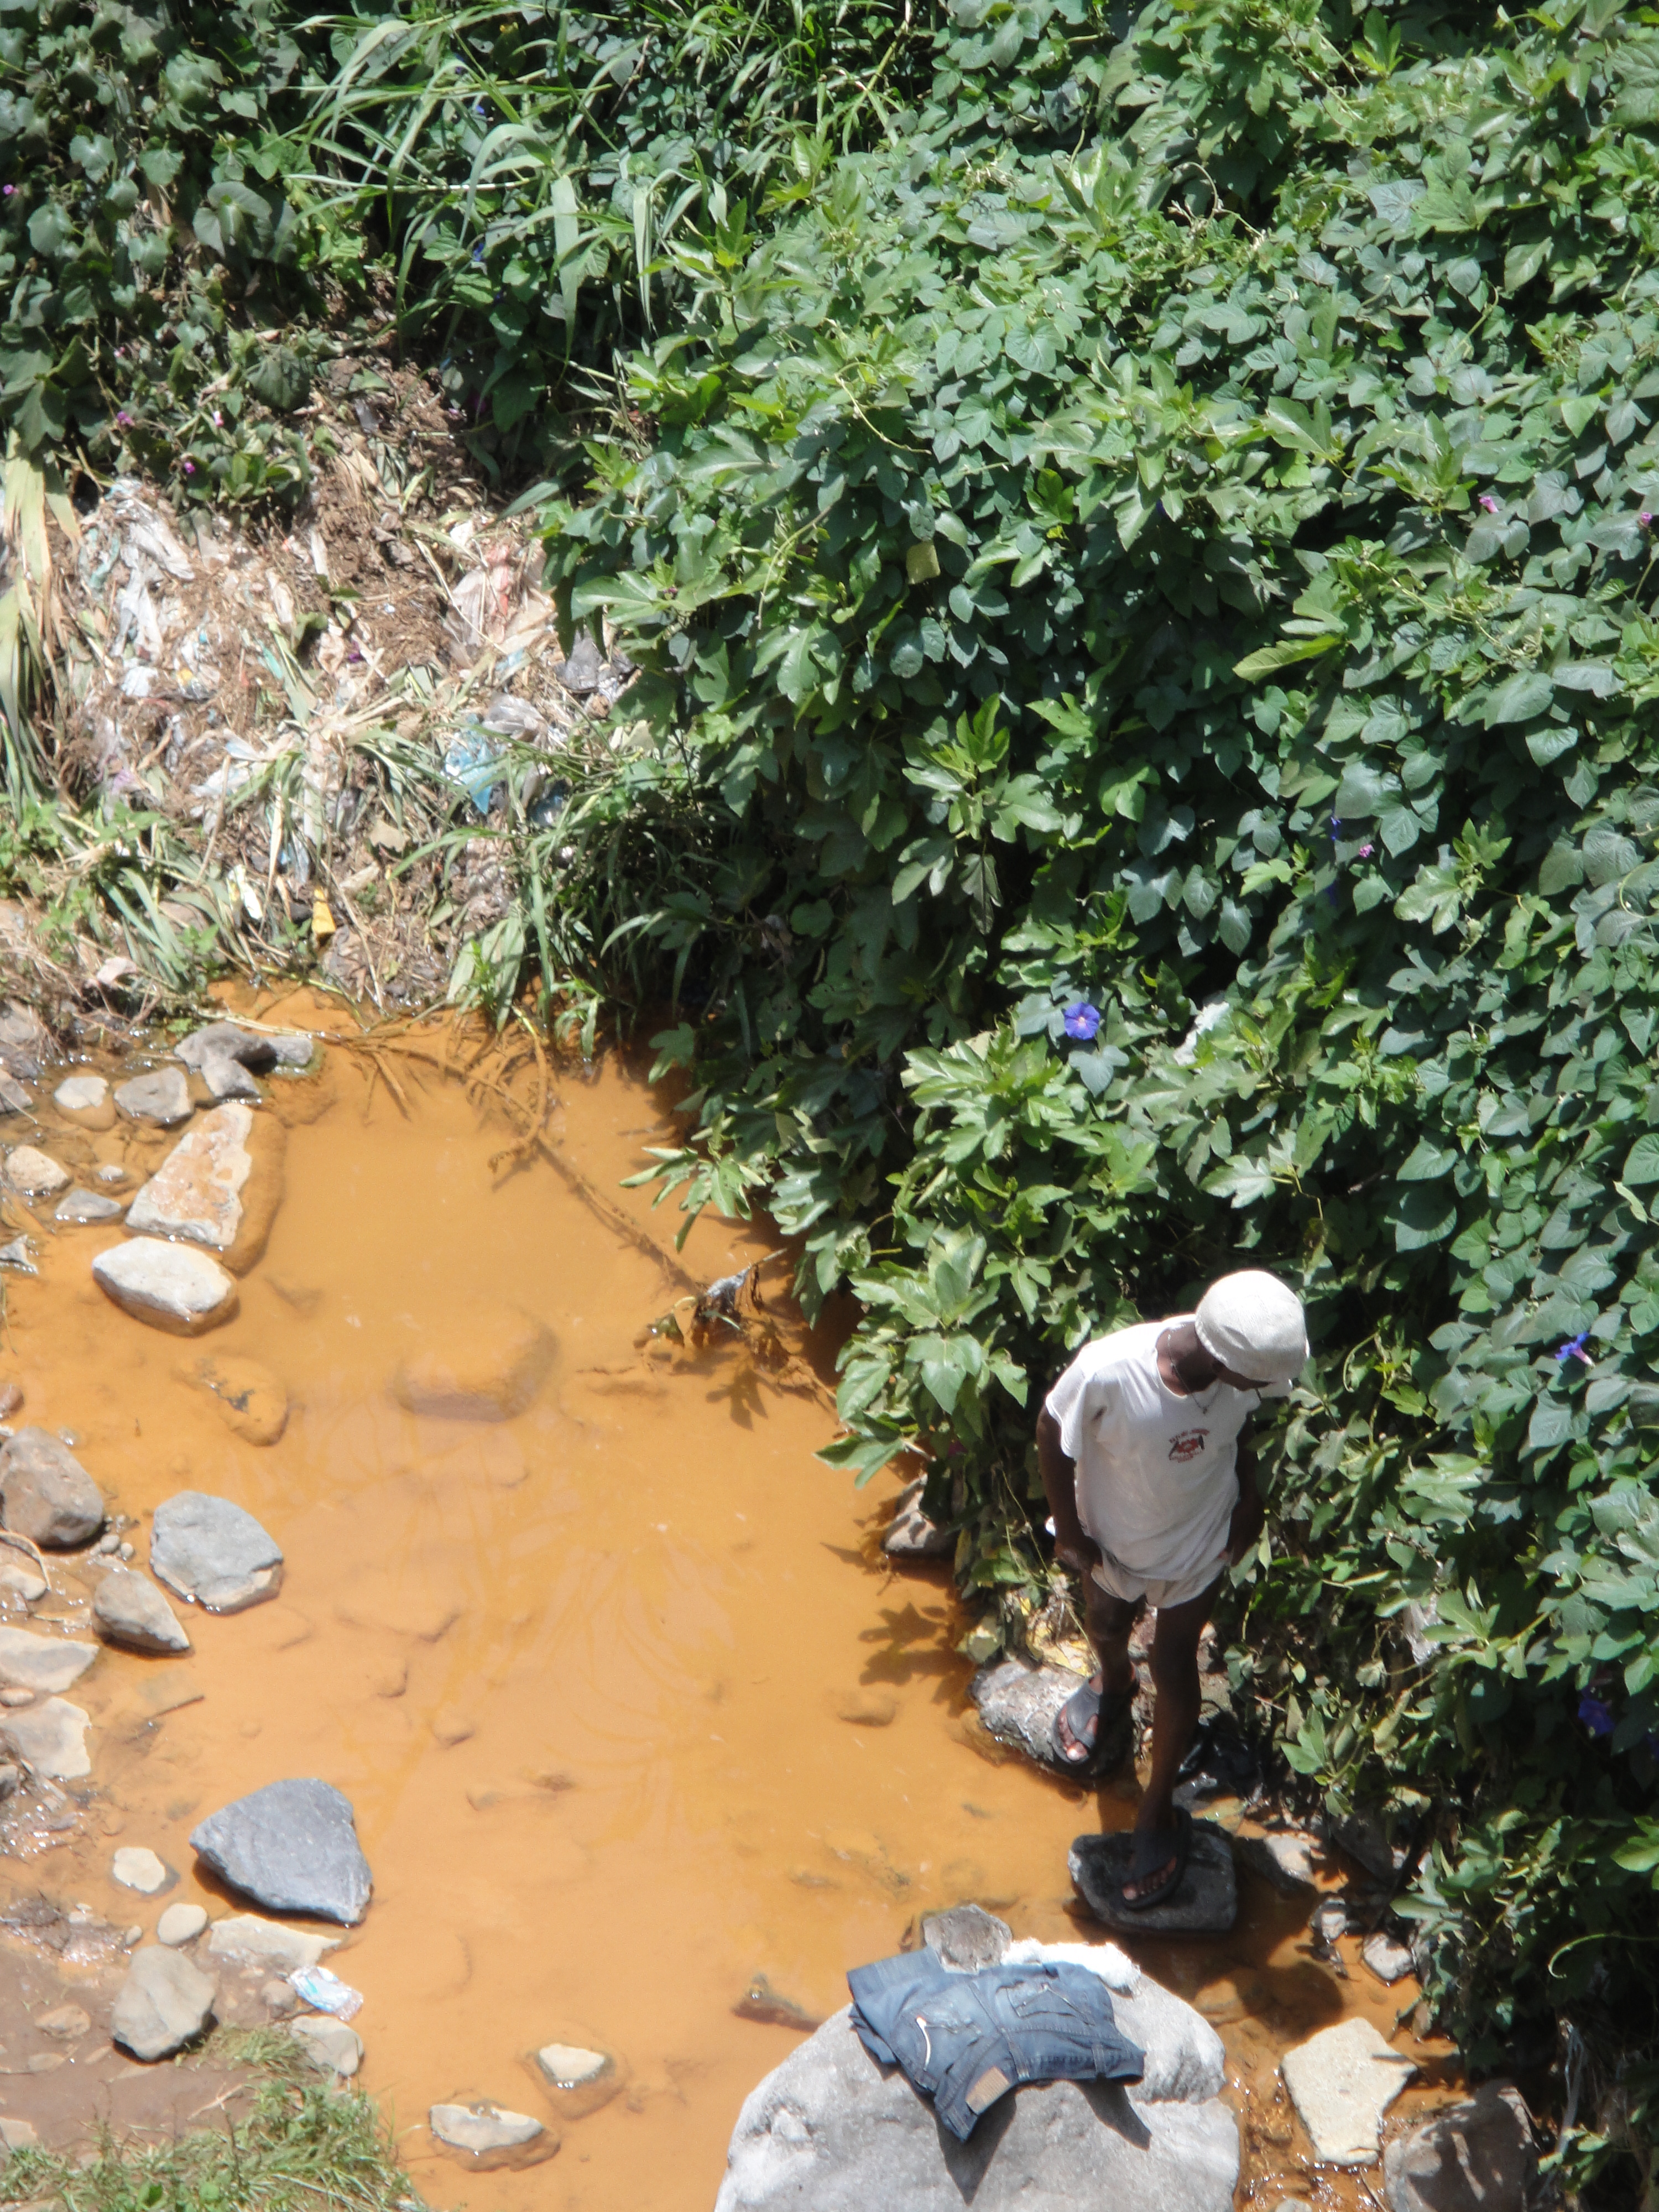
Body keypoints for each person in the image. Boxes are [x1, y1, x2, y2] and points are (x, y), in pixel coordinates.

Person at [1035, 1269, 1307, 1911]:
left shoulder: (1238, 1376)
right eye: (1258, 1380)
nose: (1263, 1392)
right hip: (1116, 1536)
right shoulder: (1109, 1370)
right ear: (1224, 1359)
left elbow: (1241, 1435)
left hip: (1198, 1539)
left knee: (1175, 1660)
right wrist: (1068, 1529)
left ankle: (1156, 1807)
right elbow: (1051, 1429)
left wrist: (1250, 1502)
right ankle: (1114, 1681)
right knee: (1106, 1623)